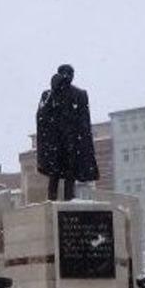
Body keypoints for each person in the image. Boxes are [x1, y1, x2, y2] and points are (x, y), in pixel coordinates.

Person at [35, 63, 99, 201]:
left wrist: (83, 145)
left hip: (72, 141)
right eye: (64, 74)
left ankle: (69, 203)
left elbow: (84, 122)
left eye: (70, 74)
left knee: (70, 175)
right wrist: (53, 91)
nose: (67, 77)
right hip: (54, 142)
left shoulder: (80, 94)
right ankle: (51, 203)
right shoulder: (48, 94)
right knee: (54, 175)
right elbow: (41, 115)